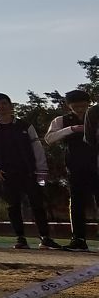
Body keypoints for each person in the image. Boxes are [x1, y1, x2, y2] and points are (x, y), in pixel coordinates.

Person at [0, 93, 64, 250]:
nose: (1, 107)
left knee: (37, 204)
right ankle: (20, 238)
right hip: (5, 173)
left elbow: (37, 148)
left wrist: (42, 169)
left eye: (4, 103)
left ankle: (45, 238)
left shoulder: (25, 126)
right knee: (13, 206)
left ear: (11, 105)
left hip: (29, 172)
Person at [44, 90, 97, 251]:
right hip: (75, 166)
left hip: (97, 163)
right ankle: (79, 239)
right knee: (76, 202)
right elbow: (49, 138)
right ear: (69, 105)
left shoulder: (96, 116)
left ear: (89, 103)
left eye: (83, 104)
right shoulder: (62, 120)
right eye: (76, 105)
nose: (80, 108)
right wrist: (72, 129)